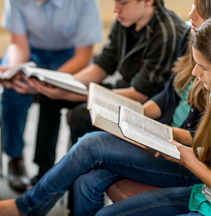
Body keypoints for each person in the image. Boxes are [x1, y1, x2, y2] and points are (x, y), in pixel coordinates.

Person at [0, 2, 209, 214]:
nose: (190, 15)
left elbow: (196, 137)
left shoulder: (175, 37)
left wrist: (153, 129)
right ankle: (43, 178)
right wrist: (136, 116)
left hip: (182, 152)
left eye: (197, 9)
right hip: (166, 135)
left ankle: (26, 206)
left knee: (91, 144)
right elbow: (167, 95)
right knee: (87, 178)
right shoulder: (190, 39)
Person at [26, 0, 187, 184]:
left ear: (148, 2)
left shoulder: (167, 34)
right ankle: (43, 172)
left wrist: (75, 95)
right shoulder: (125, 19)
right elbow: (101, 67)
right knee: (50, 97)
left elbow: (139, 95)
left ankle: (72, 186)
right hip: (124, 89)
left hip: (145, 106)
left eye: (123, 3)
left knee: (82, 114)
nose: (115, 9)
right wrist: (62, 85)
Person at [97, 18, 211, 216]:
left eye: (204, 68)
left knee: (93, 146)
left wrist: (190, 160)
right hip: (203, 193)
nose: (195, 72)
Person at [0, 0, 103, 192]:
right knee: (13, 91)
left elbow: (83, 57)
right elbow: (19, 45)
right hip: (31, 52)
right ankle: (15, 157)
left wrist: (48, 83)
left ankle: (71, 167)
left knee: (58, 95)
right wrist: (15, 71)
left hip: (70, 55)